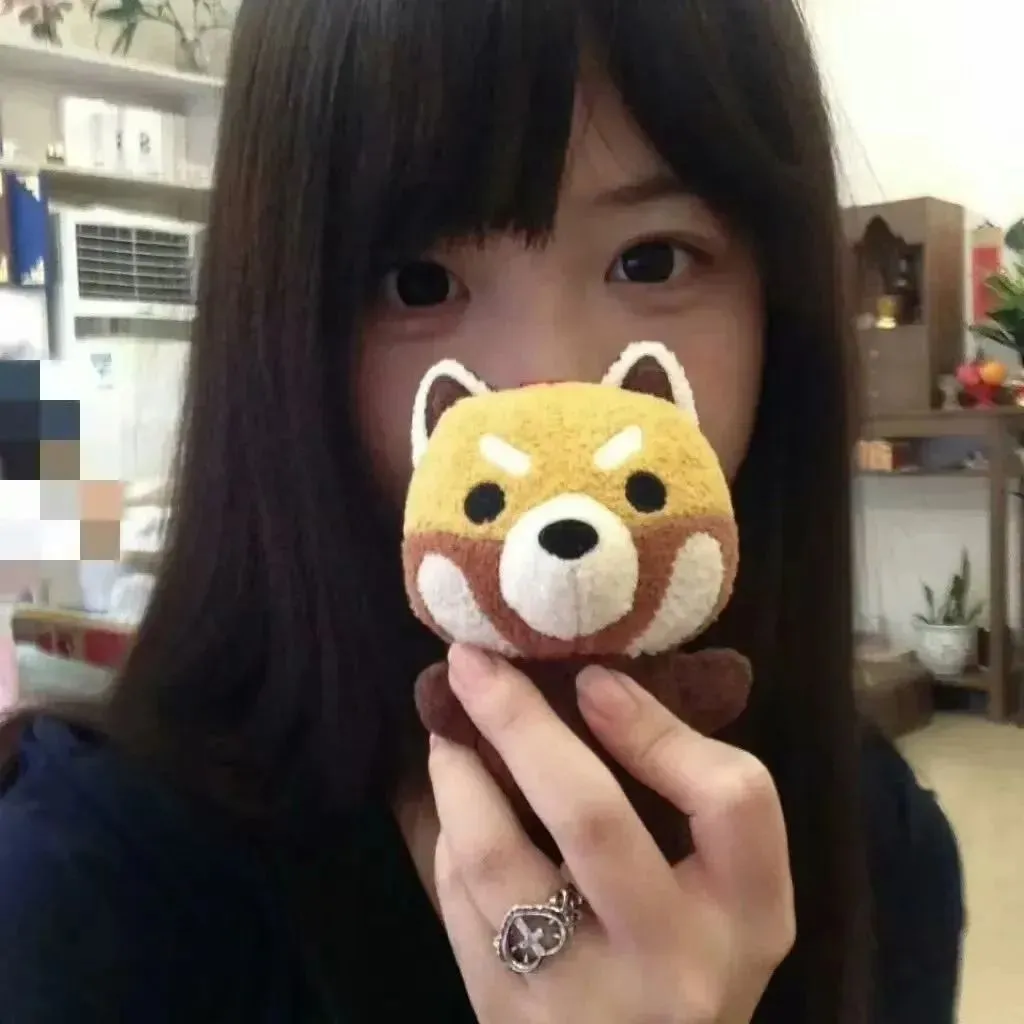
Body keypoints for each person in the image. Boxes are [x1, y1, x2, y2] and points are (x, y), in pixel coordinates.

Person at [0, 0, 964, 1021]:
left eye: (652, 259)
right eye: (419, 282)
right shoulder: (85, 893)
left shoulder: (876, 848)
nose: (551, 394)